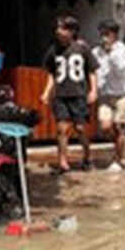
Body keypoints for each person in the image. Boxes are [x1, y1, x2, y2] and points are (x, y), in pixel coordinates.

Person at [40, 15, 97, 174]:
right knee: (61, 129)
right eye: (58, 28)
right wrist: (46, 92)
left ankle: (87, 156)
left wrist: (93, 90)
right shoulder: (53, 50)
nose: (59, 31)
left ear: (72, 31)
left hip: (78, 94)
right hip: (60, 95)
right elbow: (52, 74)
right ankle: (63, 162)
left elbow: (91, 71)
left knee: (80, 128)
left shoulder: (82, 48)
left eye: (63, 28)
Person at [93, 19, 125, 172]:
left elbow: (122, 71)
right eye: (102, 33)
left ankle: (118, 160)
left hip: (121, 94)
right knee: (105, 126)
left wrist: (111, 54)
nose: (103, 37)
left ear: (114, 34)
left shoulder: (123, 51)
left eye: (107, 33)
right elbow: (93, 71)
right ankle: (119, 148)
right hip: (104, 94)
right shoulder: (96, 51)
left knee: (120, 128)